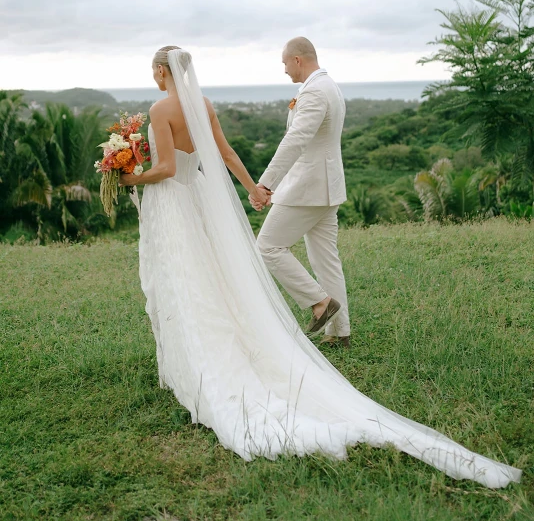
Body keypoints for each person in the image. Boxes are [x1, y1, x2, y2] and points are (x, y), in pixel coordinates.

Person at [119, 45, 521, 489]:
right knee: (237, 271)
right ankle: (335, 326)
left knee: (195, 274)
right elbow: (227, 154)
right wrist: (252, 187)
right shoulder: (205, 104)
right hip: (220, 195)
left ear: (161, 71)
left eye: (154, 71)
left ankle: (271, 326)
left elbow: (168, 167)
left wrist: (130, 177)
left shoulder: (161, 109)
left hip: (184, 201)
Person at [252, 37, 350, 347]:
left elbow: (296, 140)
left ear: (297, 60)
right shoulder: (329, 86)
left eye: (285, 63)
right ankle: (340, 332)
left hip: (308, 188)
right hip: (326, 187)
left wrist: (267, 183)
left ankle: (320, 303)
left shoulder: (315, 91)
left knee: (267, 247)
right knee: (326, 261)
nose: (284, 70)